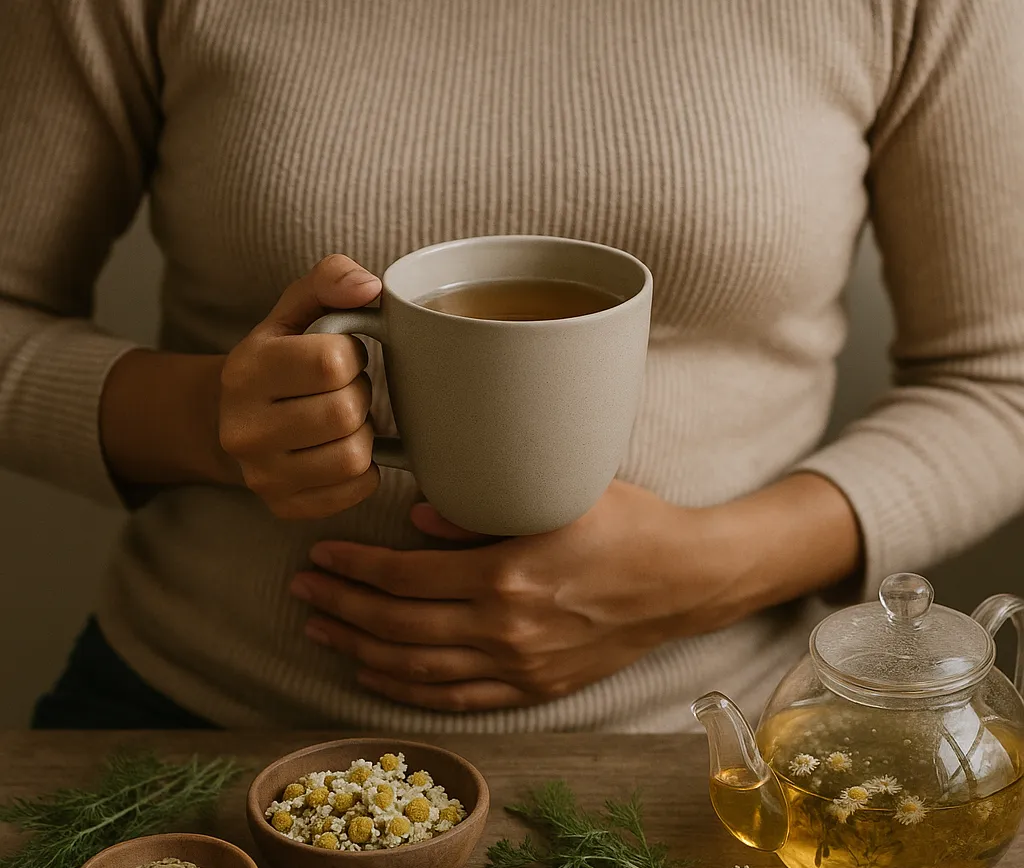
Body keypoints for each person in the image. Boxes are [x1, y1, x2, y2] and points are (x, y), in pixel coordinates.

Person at [2, 1, 1023, 731]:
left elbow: (1000, 379)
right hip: (193, 730)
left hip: (728, 742)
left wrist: (711, 570)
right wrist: (208, 417)